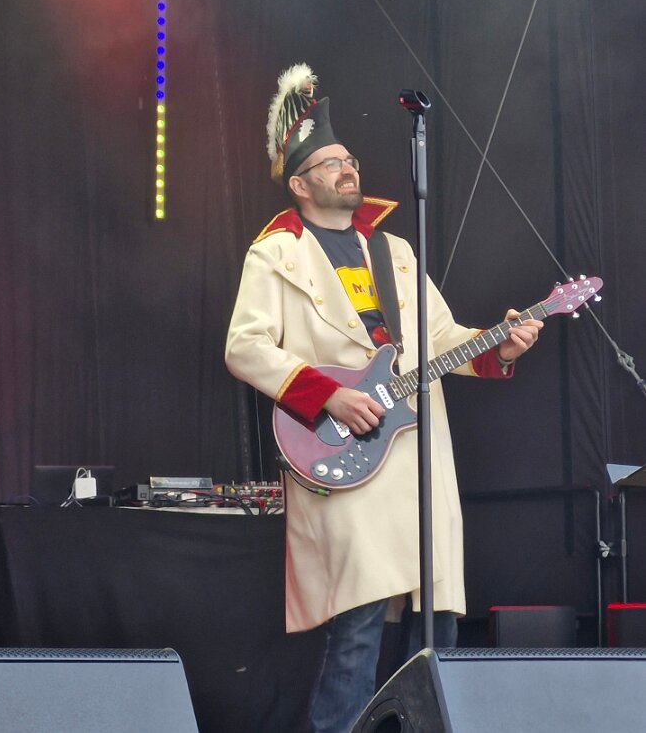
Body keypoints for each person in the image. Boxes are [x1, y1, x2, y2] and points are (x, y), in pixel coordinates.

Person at [225, 64, 543, 733]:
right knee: (359, 625)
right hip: (344, 452)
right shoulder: (275, 255)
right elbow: (245, 348)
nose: (349, 168)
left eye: (351, 160)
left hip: (415, 456)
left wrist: (503, 345)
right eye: (332, 162)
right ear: (300, 183)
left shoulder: (394, 249)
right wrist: (330, 398)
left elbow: (442, 340)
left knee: (437, 626)